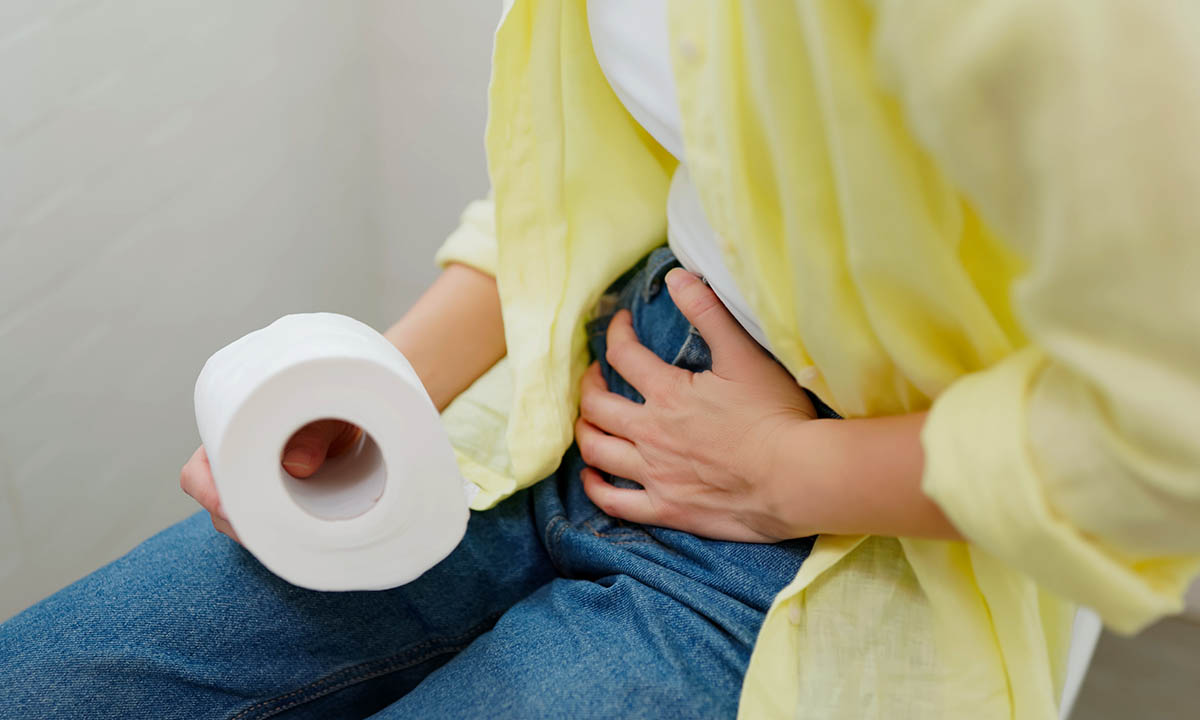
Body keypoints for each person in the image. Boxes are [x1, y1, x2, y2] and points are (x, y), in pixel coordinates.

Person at [3, 1, 1199, 718]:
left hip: (843, 521)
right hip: (579, 387)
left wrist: (784, 472)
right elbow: (636, 149)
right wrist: (390, 388)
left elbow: (1168, 432)